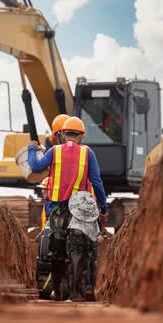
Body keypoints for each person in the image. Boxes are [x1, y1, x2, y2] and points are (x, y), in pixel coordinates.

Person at [27, 117, 108, 301]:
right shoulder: (88, 153)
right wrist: (103, 206)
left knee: (58, 249)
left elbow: (35, 166)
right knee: (77, 249)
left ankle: (57, 290)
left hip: (58, 207)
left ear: (63, 134)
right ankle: (74, 293)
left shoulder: (54, 151)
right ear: (82, 135)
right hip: (80, 207)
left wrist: (32, 149)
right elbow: (96, 181)